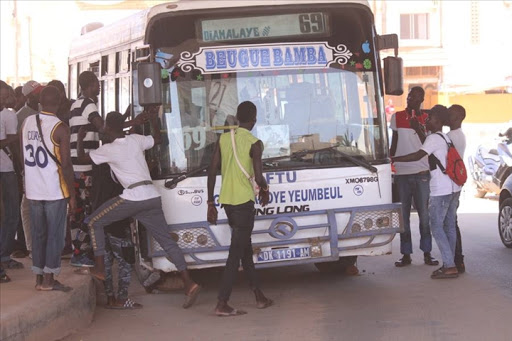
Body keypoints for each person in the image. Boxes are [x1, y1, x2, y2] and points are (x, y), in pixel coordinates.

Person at [77, 109, 201, 308]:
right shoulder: (135, 139)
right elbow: (158, 139)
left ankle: (99, 267)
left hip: (133, 196)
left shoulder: (108, 149)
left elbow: (82, 160)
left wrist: (80, 140)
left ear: (108, 128)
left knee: (94, 221)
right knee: (167, 242)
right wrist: (153, 121)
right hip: (152, 196)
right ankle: (189, 283)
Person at [207, 101, 273, 317]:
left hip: (227, 202)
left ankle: (259, 296)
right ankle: (222, 302)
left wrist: (210, 202)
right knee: (236, 253)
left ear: (237, 117)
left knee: (245, 248)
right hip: (244, 203)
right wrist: (264, 189)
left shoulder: (224, 139)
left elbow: (212, 170)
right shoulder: (255, 143)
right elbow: (259, 175)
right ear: (253, 119)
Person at [392, 105, 460, 279]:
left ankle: (449, 266)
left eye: (430, 119)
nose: (426, 120)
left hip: (441, 189)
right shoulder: (445, 137)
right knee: (449, 226)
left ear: (438, 120)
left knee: (436, 227)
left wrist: (393, 158)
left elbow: (417, 156)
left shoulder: (433, 139)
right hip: (454, 188)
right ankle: (450, 263)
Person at [21, 86, 76, 290]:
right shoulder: (61, 127)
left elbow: (22, 153)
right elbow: (67, 165)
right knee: (54, 235)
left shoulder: (27, 123)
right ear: (60, 102)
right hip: (54, 190)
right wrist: (72, 194)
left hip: (33, 189)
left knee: (38, 234)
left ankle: (38, 278)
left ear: (41, 102)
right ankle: (49, 280)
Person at [390, 87, 438, 267]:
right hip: (402, 172)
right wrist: (390, 162)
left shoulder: (427, 120)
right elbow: (394, 142)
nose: (412, 100)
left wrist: (417, 128)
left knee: (424, 216)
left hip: (421, 173)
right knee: (403, 217)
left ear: (422, 100)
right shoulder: (396, 117)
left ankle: (427, 253)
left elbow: (429, 145)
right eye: (410, 96)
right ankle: (406, 254)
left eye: (417, 98)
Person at [16, 80, 44, 259]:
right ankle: (32, 248)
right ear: (29, 96)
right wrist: (23, 169)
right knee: (28, 209)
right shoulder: (22, 116)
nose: (40, 95)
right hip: (30, 168)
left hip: (42, 168)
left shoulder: (43, 112)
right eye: (37, 93)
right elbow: (19, 146)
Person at [0, 81, 23, 270]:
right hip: (7, 170)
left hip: (7, 169)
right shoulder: (8, 115)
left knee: (10, 214)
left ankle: (4, 254)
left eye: (4, 96)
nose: (4, 99)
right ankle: (4, 255)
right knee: (10, 214)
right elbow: (13, 144)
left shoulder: (8, 114)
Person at [447, 105, 467, 273]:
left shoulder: (449, 137)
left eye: (450, 113)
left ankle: (455, 259)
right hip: (456, 184)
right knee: (452, 222)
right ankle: (457, 259)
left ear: (458, 118)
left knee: (449, 224)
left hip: (450, 184)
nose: (448, 115)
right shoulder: (459, 135)